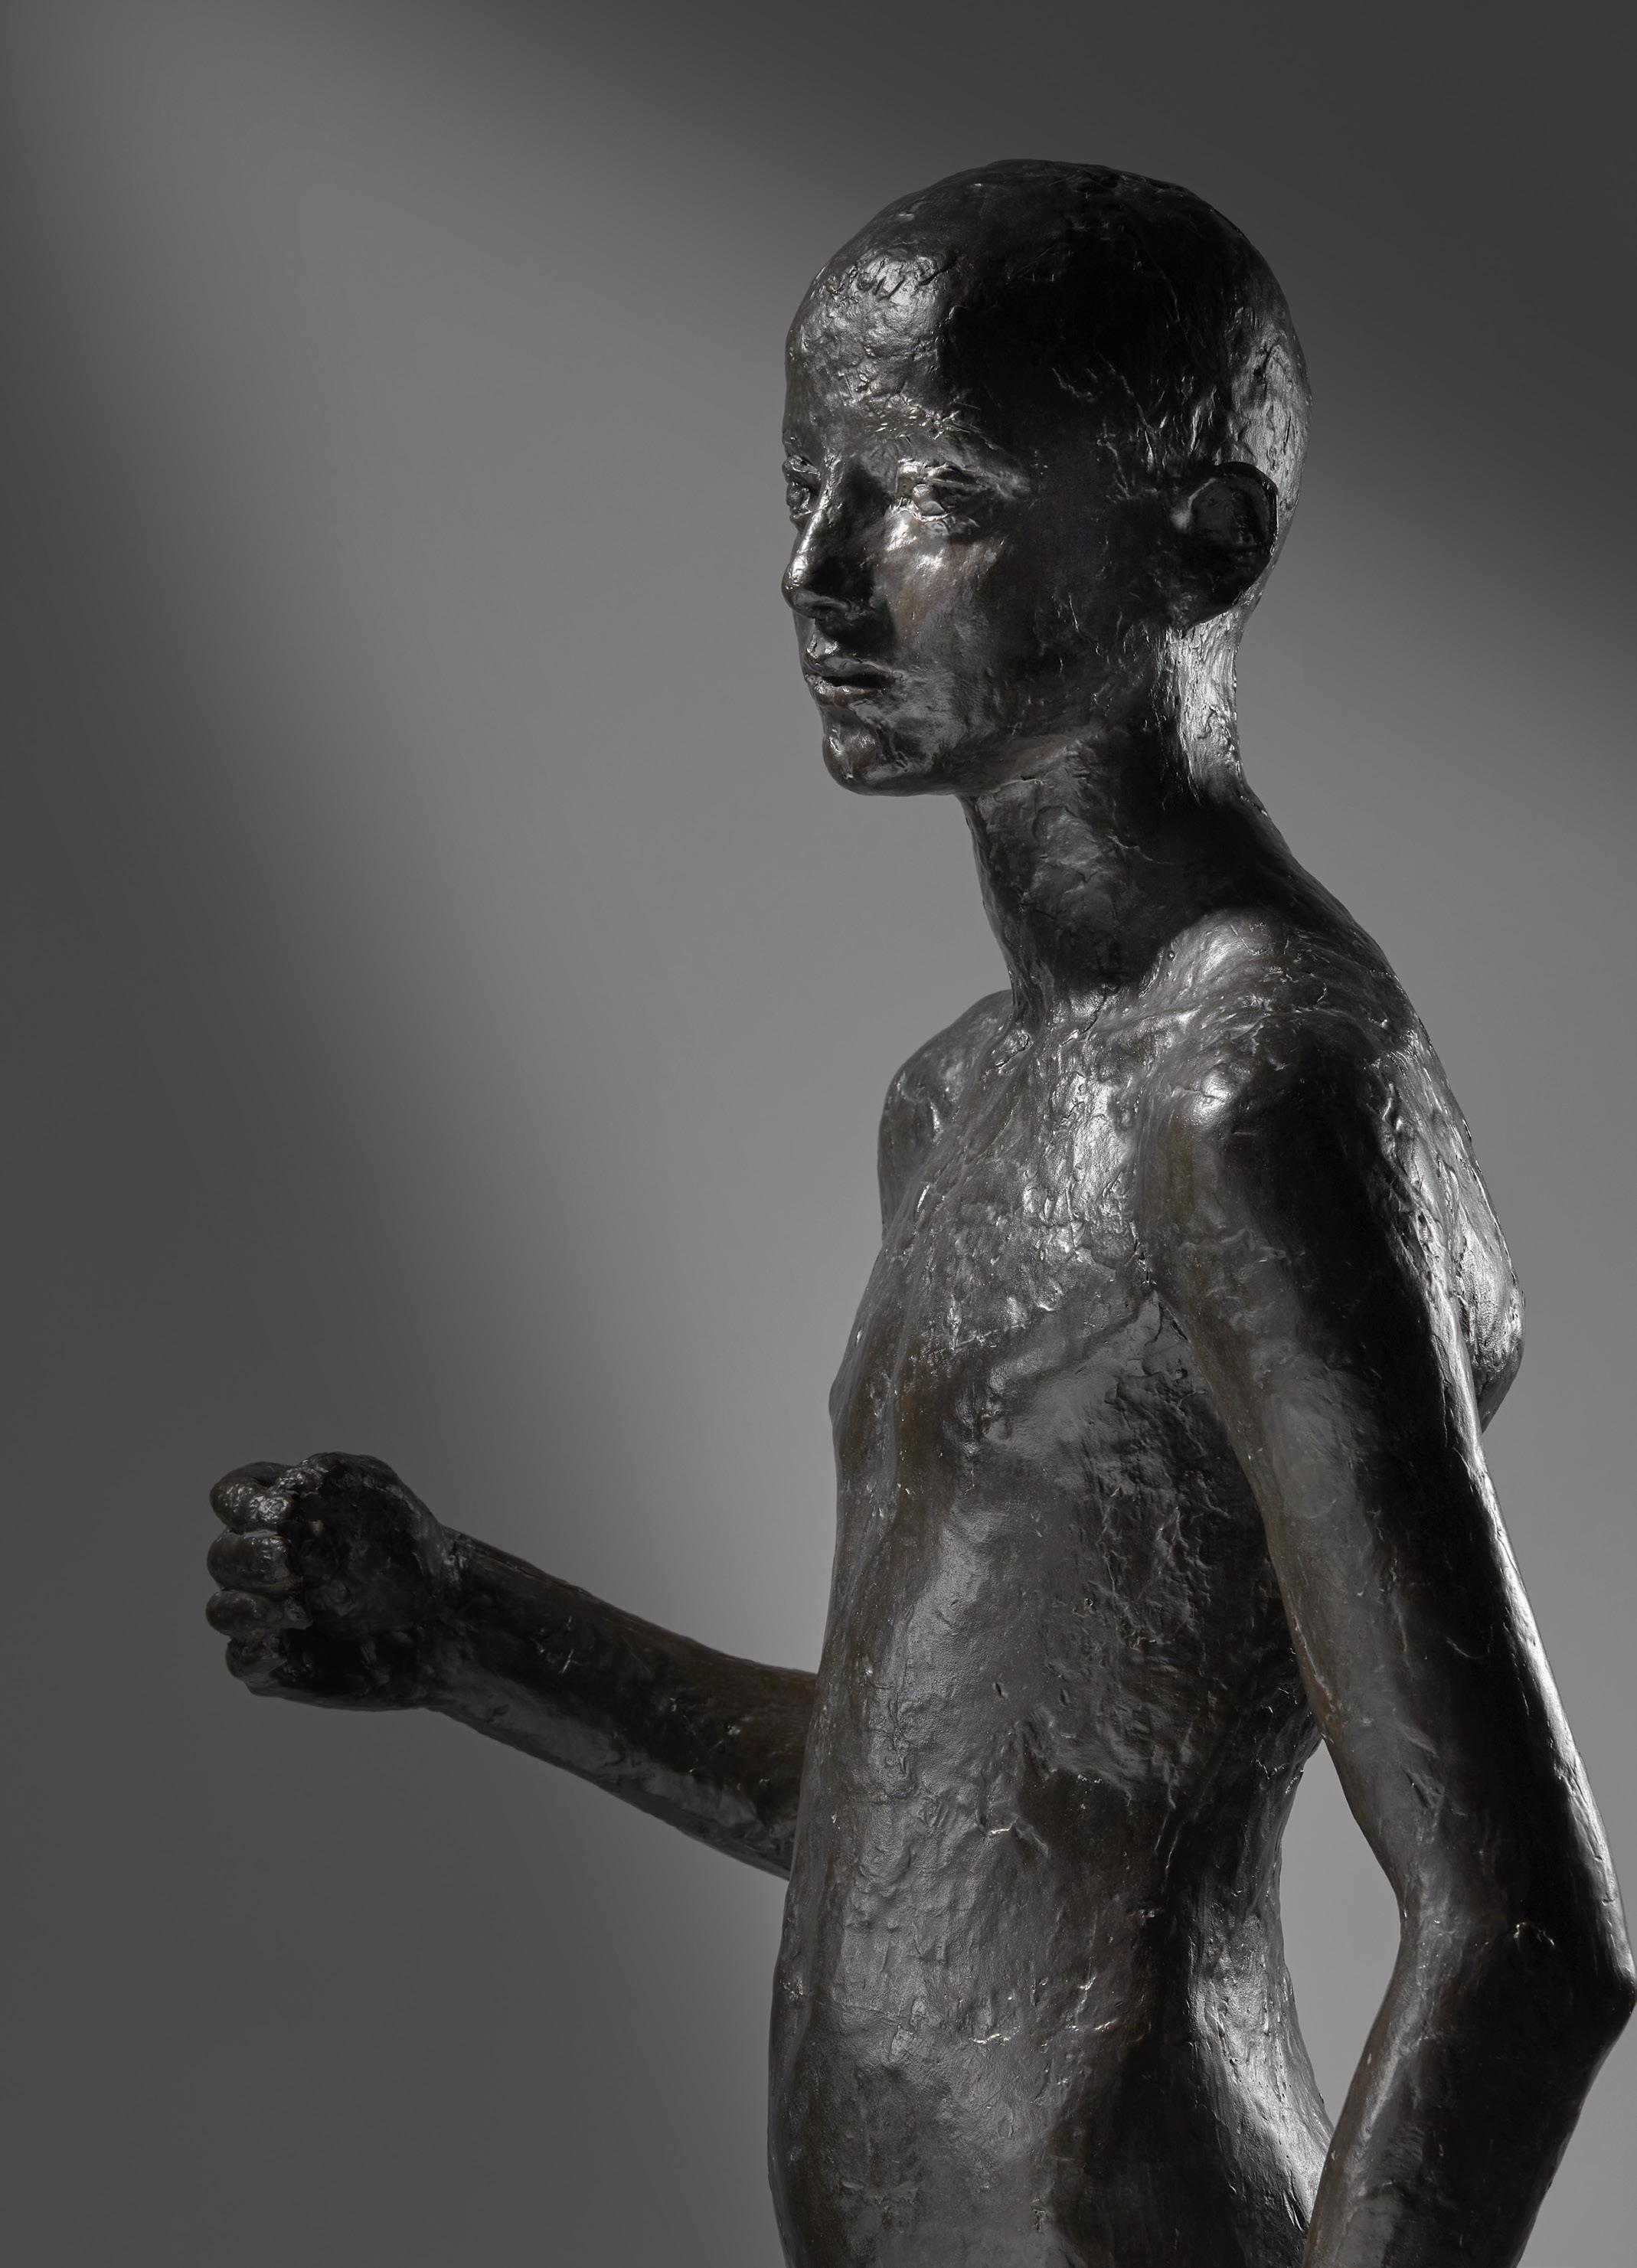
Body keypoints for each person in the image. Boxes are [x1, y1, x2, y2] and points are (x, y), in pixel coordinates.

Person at [205, 162, 1633, 2268]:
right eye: (811, 486)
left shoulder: (1249, 1095)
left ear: (1204, 541)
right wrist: (467, 1632)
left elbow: (1522, 1929)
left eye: (933, 499)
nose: (816, 573)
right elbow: (940, 1817)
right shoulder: (965, 1097)